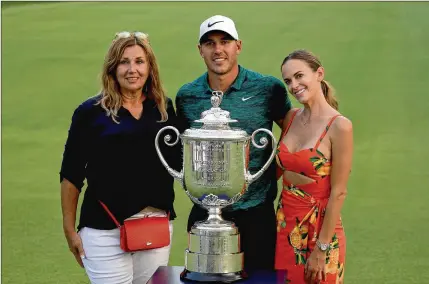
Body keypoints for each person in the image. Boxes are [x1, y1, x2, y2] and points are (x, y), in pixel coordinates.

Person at [60, 31, 180, 284]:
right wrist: (69, 230)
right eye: (124, 62)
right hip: (104, 231)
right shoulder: (89, 113)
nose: (132, 69)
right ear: (113, 68)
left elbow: (177, 164)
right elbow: (71, 175)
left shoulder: (163, 108)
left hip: (155, 227)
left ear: (150, 67)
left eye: (139, 61)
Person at [175, 15, 292, 272]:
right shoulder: (187, 95)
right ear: (200, 50)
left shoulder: (268, 89)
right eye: (210, 43)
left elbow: (294, 131)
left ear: (238, 46)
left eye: (225, 41)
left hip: (256, 212)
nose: (218, 50)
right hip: (204, 213)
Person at [274, 49, 353, 283]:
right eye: (288, 80)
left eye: (299, 76)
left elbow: (339, 192)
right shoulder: (291, 118)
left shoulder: (340, 126)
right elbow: (277, 169)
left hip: (320, 230)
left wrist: (321, 248)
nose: (294, 85)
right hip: (284, 225)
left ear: (319, 73)